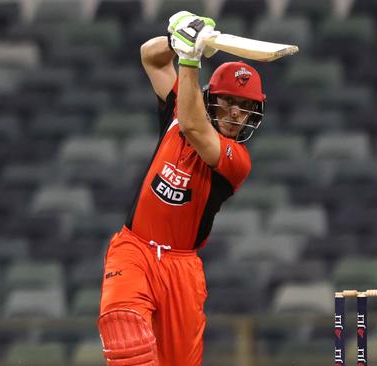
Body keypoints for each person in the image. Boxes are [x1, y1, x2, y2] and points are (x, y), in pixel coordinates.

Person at [97, 11, 266, 366]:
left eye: (246, 108)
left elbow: (192, 126)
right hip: (134, 249)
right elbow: (149, 56)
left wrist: (190, 57)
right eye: (229, 102)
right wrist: (178, 40)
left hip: (181, 269)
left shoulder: (237, 159)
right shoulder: (179, 103)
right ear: (210, 97)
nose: (237, 113)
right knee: (124, 332)